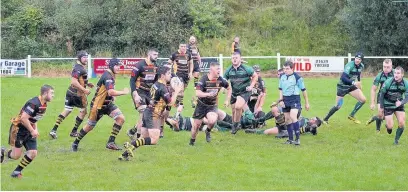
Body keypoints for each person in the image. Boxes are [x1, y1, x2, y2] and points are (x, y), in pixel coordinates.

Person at [119, 66, 182, 160]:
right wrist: (176, 92)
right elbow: (170, 103)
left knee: (143, 138)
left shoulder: (156, 84)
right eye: (168, 73)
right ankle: (129, 145)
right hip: (152, 115)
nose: (170, 75)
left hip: (148, 112)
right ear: (162, 76)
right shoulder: (162, 88)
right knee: (154, 139)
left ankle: (124, 155)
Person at [71, 58, 129, 152]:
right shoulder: (108, 76)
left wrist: (110, 97)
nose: (119, 68)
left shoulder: (111, 74)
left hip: (107, 104)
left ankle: (110, 142)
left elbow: (104, 90)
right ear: (111, 66)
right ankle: (75, 142)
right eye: (117, 66)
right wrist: (124, 92)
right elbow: (110, 92)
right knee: (89, 126)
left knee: (121, 118)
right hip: (97, 106)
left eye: (119, 66)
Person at [1, 85, 54, 178]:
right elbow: (24, 118)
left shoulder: (44, 104)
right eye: (52, 93)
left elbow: (34, 118)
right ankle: (3, 151)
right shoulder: (33, 103)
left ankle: (16, 172)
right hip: (19, 129)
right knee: (15, 156)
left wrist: (35, 129)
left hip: (29, 129)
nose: (53, 95)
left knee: (33, 152)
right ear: (45, 93)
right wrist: (32, 130)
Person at [49, 51, 93, 139]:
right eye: (84, 57)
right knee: (83, 111)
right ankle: (74, 131)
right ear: (79, 58)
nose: (86, 59)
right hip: (77, 94)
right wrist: (84, 89)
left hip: (70, 92)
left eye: (86, 57)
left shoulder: (79, 67)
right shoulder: (79, 68)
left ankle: (53, 130)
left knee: (67, 110)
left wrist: (87, 84)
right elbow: (73, 81)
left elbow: (79, 79)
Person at [190, 62, 231, 145]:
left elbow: (229, 88)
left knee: (212, 121)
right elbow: (197, 93)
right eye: (217, 69)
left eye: (219, 69)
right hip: (201, 105)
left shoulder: (220, 80)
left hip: (212, 106)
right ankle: (192, 141)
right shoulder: (203, 79)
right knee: (196, 126)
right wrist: (207, 94)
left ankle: (207, 131)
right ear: (211, 70)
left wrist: (227, 100)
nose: (219, 71)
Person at [323, 52, 366, 124]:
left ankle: (351, 115)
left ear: (361, 60)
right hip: (342, 87)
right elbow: (343, 77)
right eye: (356, 58)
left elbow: (358, 74)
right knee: (337, 106)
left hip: (351, 87)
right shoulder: (350, 65)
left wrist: (359, 82)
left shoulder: (361, 66)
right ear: (354, 58)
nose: (357, 60)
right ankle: (325, 119)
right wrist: (353, 83)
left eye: (359, 59)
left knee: (363, 100)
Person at [127, 49, 159, 139]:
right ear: (149, 54)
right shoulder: (139, 65)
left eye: (157, 54)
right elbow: (132, 80)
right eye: (154, 54)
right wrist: (135, 94)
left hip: (149, 93)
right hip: (139, 91)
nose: (156, 56)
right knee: (143, 111)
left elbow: (156, 81)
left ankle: (132, 131)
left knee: (149, 113)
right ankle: (138, 138)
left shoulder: (156, 66)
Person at [224, 52, 258, 134]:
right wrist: (223, 86)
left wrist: (251, 86)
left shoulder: (246, 68)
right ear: (231, 59)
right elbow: (224, 79)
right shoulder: (229, 70)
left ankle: (235, 125)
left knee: (238, 107)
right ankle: (235, 125)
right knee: (233, 110)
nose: (234, 59)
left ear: (240, 59)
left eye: (236, 57)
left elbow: (255, 76)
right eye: (233, 58)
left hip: (244, 91)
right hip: (234, 92)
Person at [279, 61, 310, 145]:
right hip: (285, 99)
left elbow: (304, 90)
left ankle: (297, 139)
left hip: (295, 99)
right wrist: (281, 100)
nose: (285, 70)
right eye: (284, 68)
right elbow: (280, 89)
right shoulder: (282, 77)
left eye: (287, 69)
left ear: (292, 69)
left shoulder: (297, 78)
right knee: (287, 120)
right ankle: (290, 139)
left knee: (293, 116)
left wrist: (307, 103)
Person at [378, 66, 408, 145]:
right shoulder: (388, 82)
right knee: (390, 127)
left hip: (398, 104)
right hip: (388, 104)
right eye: (395, 73)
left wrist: (401, 103)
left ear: (402, 75)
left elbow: (407, 97)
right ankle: (388, 127)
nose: (396, 75)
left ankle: (396, 141)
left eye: (398, 73)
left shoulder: (405, 83)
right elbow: (381, 94)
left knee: (401, 122)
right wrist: (381, 107)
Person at [366, 59, 394, 133]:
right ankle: (377, 130)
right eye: (384, 67)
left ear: (391, 66)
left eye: (388, 67)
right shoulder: (379, 75)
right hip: (382, 95)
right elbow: (373, 89)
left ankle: (375, 118)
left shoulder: (396, 74)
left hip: (392, 97)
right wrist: (372, 102)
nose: (386, 69)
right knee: (380, 113)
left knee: (387, 116)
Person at [168, 43, 193, 120]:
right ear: (179, 47)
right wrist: (169, 72)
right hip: (178, 75)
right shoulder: (174, 54)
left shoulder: (188, 54)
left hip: (186, 75)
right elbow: (169, 62)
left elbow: (191, 63)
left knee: (182, 90)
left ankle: (176, 101)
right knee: (181, 89)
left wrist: (190, 72)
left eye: (184, 46)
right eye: (181, 46)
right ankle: (180, 104)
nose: (183, 48)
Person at [245, 116, 322, 136]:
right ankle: (255, 130)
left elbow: (314, 133)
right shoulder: (304, 119)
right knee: (267, 132)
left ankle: (254, 130)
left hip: (287, 131)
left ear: (315, 123)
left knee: (267, 132)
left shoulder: (308, 128)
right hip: (285, 125)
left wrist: (313, 128)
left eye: (313, 119)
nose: (311, 118)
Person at [187, 36, 202, 108]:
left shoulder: (196, 47)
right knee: (188, 78)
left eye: (193, 39)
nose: (192, 40)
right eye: (191, 39)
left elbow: (198, 55)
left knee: (197, 75)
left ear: (195, 40)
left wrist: (200, 61)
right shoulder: (187, 47)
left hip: (196, 63)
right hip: (189, 63)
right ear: (189, 40)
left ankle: (195, 86)